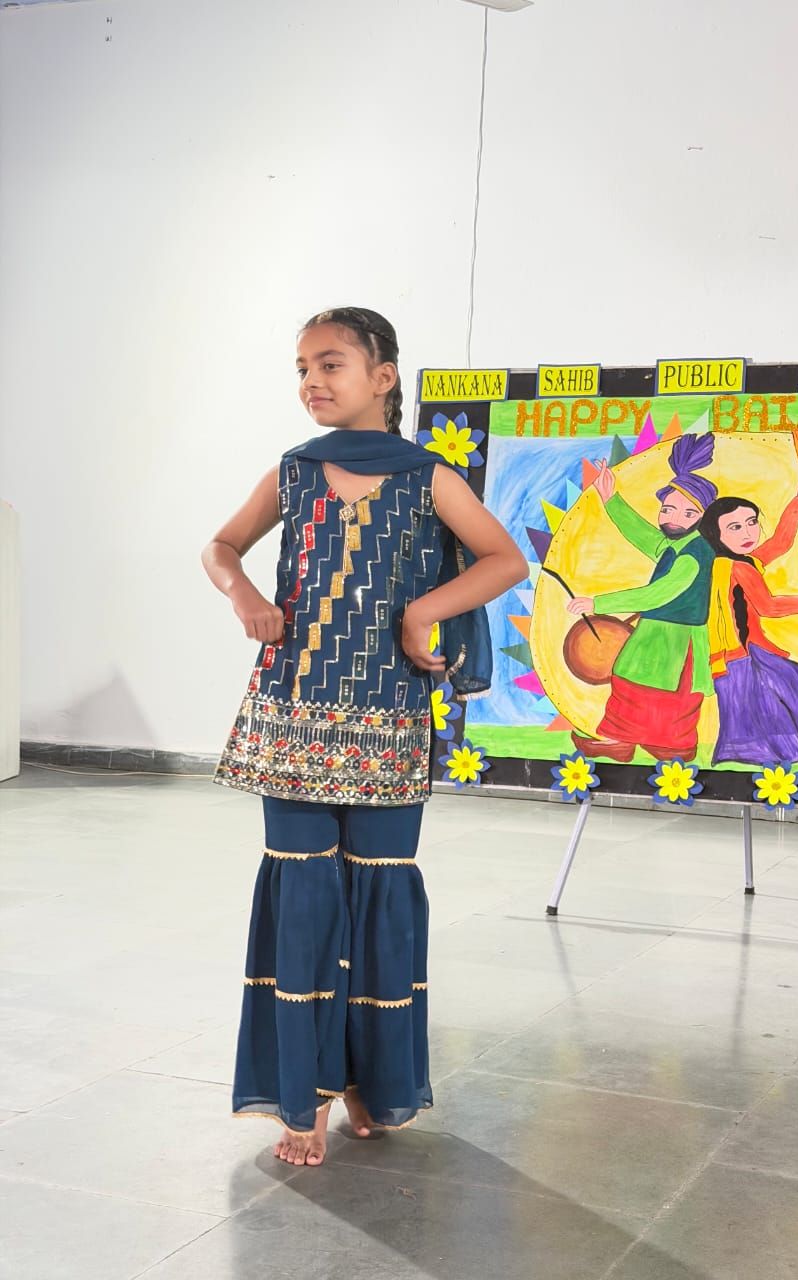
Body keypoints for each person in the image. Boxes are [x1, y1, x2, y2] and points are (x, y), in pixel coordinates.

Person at [202, 306, 526, 1168]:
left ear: (383, 378)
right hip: (294, 716)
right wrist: (244, 595)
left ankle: (370, 1085)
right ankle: (301, 1097)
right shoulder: (295, 472)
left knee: (381, 897)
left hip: (388, 719)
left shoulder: (429, 477)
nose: (312, 381)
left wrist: (424, 612)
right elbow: (221, 547)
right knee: (304, 898)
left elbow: (505, 560)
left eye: (331, 364)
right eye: (302, 367)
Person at [566, 433, 718, 762]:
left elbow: (656, 594)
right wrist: (611, 499)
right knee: (632, 685)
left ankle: (669, 745)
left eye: (687, 513)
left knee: (670, 696)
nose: (673, 519)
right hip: (656, 634)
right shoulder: (674, 545)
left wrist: (598, 603)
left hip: (678, 641)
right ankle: (626, 741)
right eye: (667, 509)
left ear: (702, 518)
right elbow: (643, 535)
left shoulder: (694, 554)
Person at [698, 482, 798, 764]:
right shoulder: (738, 567)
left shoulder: (732, 562)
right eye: (735, 527)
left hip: (736, 654)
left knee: (774, 693)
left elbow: (779, 544)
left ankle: (786, 748)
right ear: (716, 534)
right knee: (789, 684)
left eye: (752, 522)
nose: (748, 533)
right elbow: (768, 606)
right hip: (744, 654)